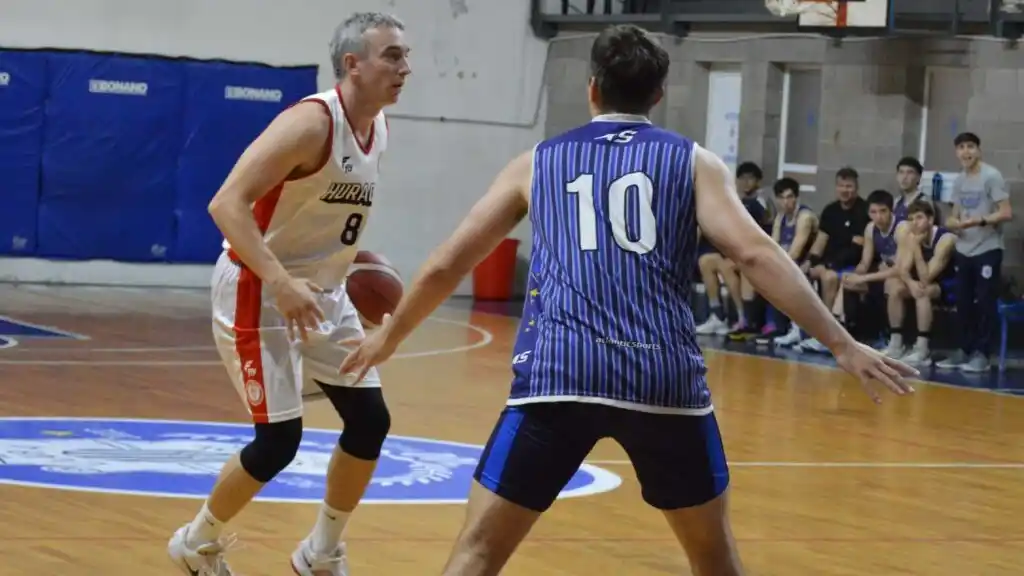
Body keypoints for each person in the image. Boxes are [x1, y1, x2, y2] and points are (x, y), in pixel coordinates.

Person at [339, 24, 916, 576]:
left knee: (479, 552)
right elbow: (757, 255)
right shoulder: (692, 162)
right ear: (659, 94)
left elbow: (446, 263)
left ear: (590, 87)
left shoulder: (538, 163)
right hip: (661, 378)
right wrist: (840, 343)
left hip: (559, 376)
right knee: (714, 559)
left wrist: (389, 336)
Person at [166, 12, 411, 576]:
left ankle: (320, 551)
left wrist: (344, 278)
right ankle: (195, 543)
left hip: (323, 293)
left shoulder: (379, 128)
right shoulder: (310, 123)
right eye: (392, 56)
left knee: (370, 420)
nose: (405, 68)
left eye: (405, 55)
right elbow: (226, 203)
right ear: (353, 64)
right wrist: (280, 278)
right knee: (279, 441)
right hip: (259, 287)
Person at [936, 132, 1012, 372]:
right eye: (961, 147)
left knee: (985, 303)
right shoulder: (959, 180)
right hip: (964, 248)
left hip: (987, 248)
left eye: (970, 147)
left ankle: (982, 354)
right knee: (963, 302)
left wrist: (979, 221)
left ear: (978, 150)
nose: (966, 152)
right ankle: (964, 349)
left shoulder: (991, 176)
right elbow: (954, 214)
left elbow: (1006, 212)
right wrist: (951, 223)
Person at [794, 167, 870, 352]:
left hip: (851, 266)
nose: (845, 190)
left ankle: (829, 336)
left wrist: (828, 266)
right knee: (799, 275)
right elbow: (821, 242)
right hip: (828, 263)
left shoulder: (864, 211)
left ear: (857, 188)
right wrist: (809, 263)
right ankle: (798, 330)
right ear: (836, 187)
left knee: (829, 278)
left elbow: (857, 248)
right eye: (841, 186)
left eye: (849, 186)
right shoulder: (830, 211)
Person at [695, 162, 770, 336]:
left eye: (750, 178)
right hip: (735, 251)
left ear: (758, 181)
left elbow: (755, 234)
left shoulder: (760, 203)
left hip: (753, 253)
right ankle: (717, 316)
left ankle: (741, 317)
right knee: (705, 261)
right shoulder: (739, 201)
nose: (746, 182)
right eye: (742, 178)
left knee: (726, 266)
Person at [883, 200, 957, 364]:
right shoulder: (909, 235)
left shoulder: (945, 239)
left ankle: (922, 348)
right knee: (895, 288)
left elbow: (927, 277)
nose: (914, 223)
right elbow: (902, 268)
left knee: (923, 291)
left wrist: (916, 247)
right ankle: (896, 343)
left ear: (930, 220)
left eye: (919, 218)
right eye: (911, 219)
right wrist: (910, 284)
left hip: (949, 284)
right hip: (923, 282)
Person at [838, 190, 906, 341]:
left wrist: (864, 278)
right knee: (849, 283)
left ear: (891, 210)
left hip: (905, 276)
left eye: (883, 211)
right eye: (873, 212)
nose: (879, 217)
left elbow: (899, 269)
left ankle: (891, 337)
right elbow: (865, 262)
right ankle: (850, 332)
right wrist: (856, 275)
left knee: (891, 284)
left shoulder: (902, 228)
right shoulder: (870, 228)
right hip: (883, 273)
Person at [759, 178, 818, 346]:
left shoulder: (805, 217)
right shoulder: (780, 218)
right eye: (782, 198)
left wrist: (777, 266)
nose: (786, 202)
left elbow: (796, 251)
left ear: (797, 197)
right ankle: (774, 324)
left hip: (809, 264)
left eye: (790, 197)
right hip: (790, 264)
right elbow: (773, 245)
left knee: (791, 276)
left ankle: (798, 329)